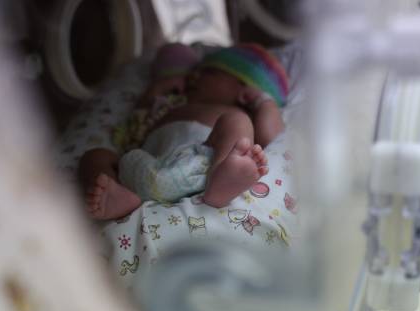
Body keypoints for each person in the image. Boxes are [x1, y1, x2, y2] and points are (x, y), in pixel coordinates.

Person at [80, 43, 289, 219]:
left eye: (209, 72)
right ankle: (117, 197)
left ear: (243, 88)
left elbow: (274, 138)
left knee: (237, 122)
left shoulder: (236, 111)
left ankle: (222, 181)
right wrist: (160, 87)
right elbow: (139, 118)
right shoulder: (173, 105)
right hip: (142, 169)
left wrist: (263, 101)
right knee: (95, 156)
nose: (193, 76)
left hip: (201, 169)